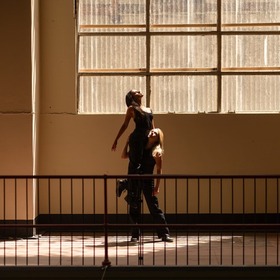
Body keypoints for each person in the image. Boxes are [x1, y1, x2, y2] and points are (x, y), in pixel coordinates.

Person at [121, 128, 173, 243]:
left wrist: (157, 187)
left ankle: (164, 233)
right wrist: (127, 142)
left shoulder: (156, 152)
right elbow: (124, 156)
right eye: (152, 131)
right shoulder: (139, 147)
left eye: (156, 132)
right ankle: (135, 235)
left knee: (154, 207)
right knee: (134, 207)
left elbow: (159, 170)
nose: (152, 132)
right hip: (135, 179)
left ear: (158, 138)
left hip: (148, 180)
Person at [111, 89, 155, 174]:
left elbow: (153, 127)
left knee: (147, 163)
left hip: (148, 138)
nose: (139, 92)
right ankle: (132, 185)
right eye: (136, 92)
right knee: (135, 164)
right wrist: (116, 139)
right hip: (137, 139)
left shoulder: (149, 109)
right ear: (133, 97)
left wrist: (156, 140)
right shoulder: (132, 109)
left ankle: (145, 185)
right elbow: (125, 125)